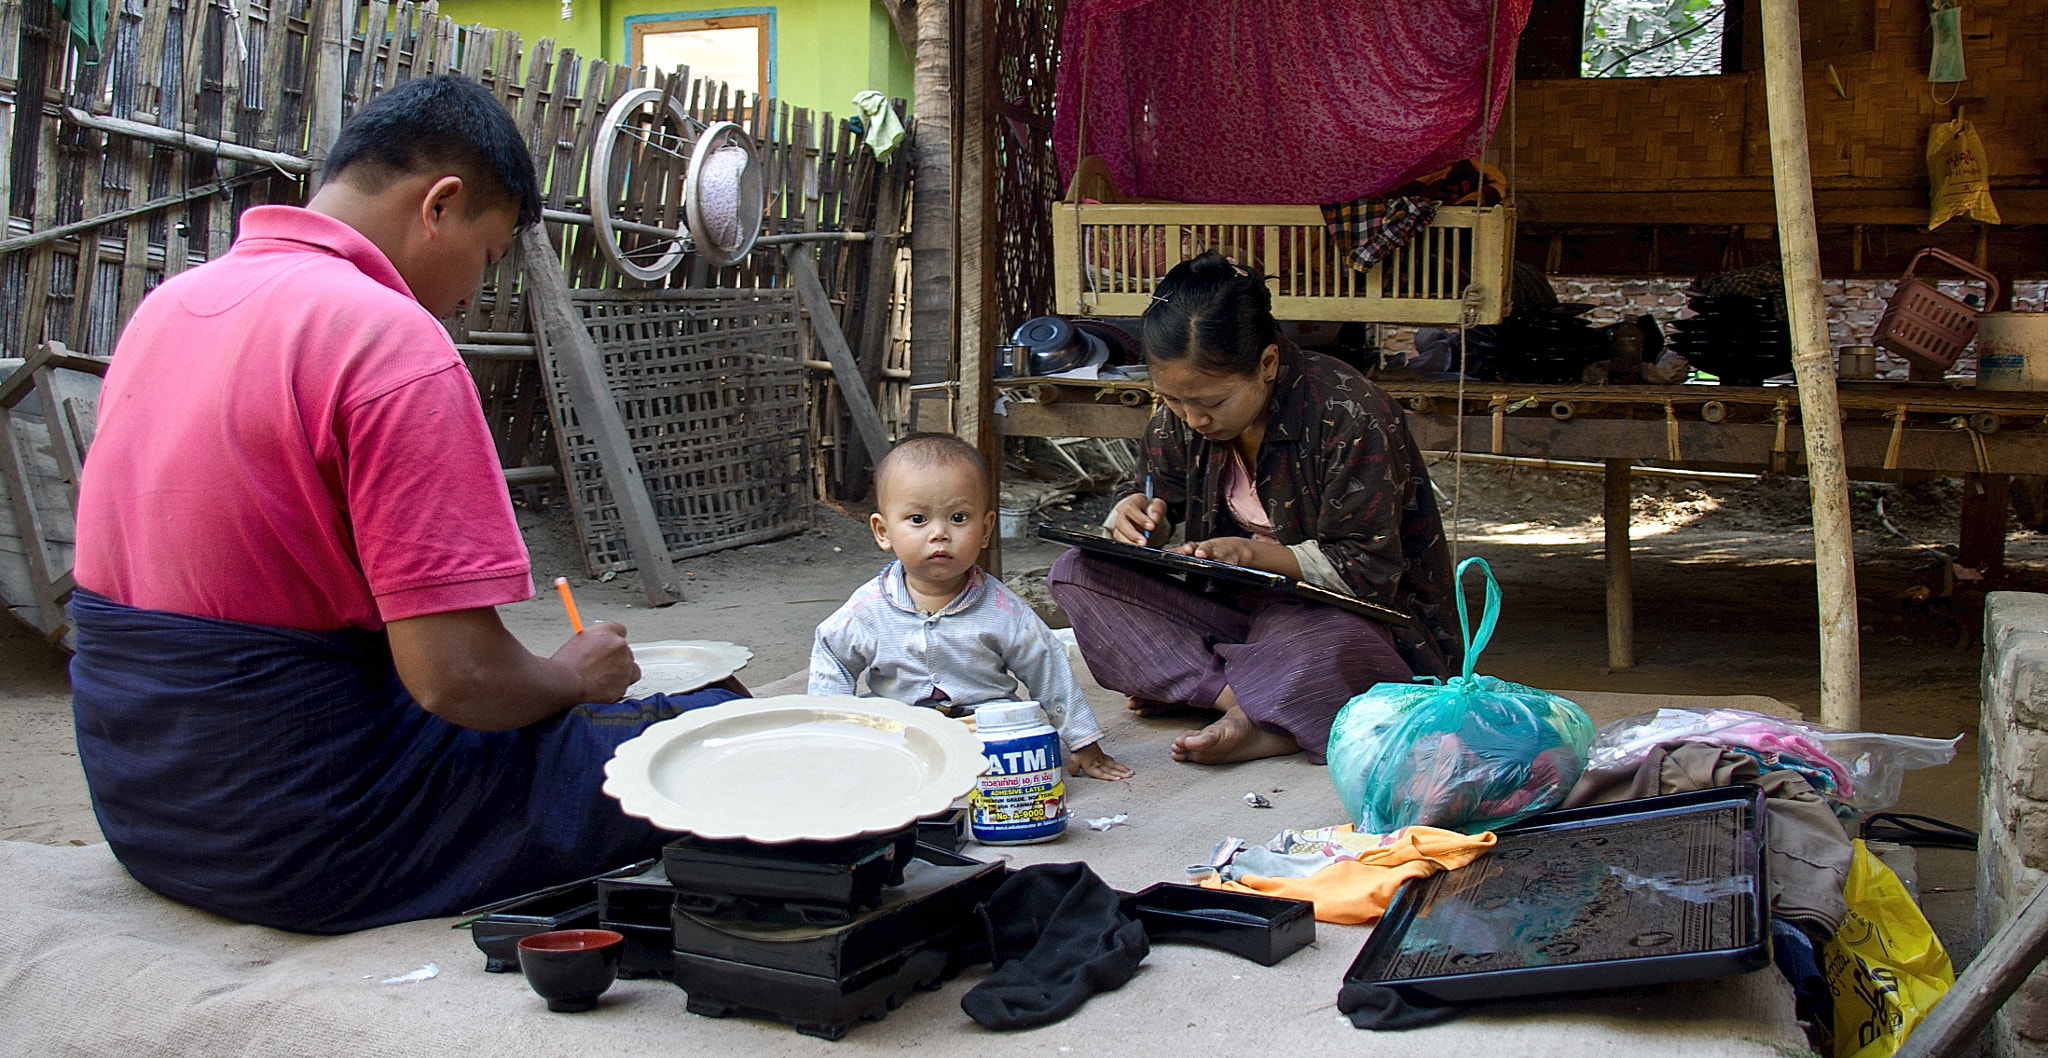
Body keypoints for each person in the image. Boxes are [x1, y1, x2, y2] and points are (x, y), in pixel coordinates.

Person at [66, 74, 740, 935]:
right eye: (489, 257)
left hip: (146, 815)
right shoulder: (390, 342)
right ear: (441, 205)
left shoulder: (168, 307)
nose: (471, 296)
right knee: (710, 723)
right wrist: (570, 675)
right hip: (302, 840)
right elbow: (455, 679)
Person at [1046, 251, 1457, 765]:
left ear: (1267, 364)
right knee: (1077, 573)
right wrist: (1134, 516)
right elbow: (1159, 496)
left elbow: (1370, 572)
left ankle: (1230, 696)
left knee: (1330, 647)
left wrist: (1252, 553)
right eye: (1173, 400)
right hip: (1235, 611)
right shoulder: (1181, 415)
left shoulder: (1347, 414)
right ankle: (1241, 697)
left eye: (1213, 403)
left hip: (1341, 618)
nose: (1193, 418)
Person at [810, 434, 1132, 781]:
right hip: (904, 725)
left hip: (982, 725)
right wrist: (832, 727)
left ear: (985, 529)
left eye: (958, 517)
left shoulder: (1003, 609)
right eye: (918, 519)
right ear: (883, 531)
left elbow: (1049, 670)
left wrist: (1083, 741)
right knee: (868, 724)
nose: (939, 533)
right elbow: (831, 656)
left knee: (1027, 730)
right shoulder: (867, 608)